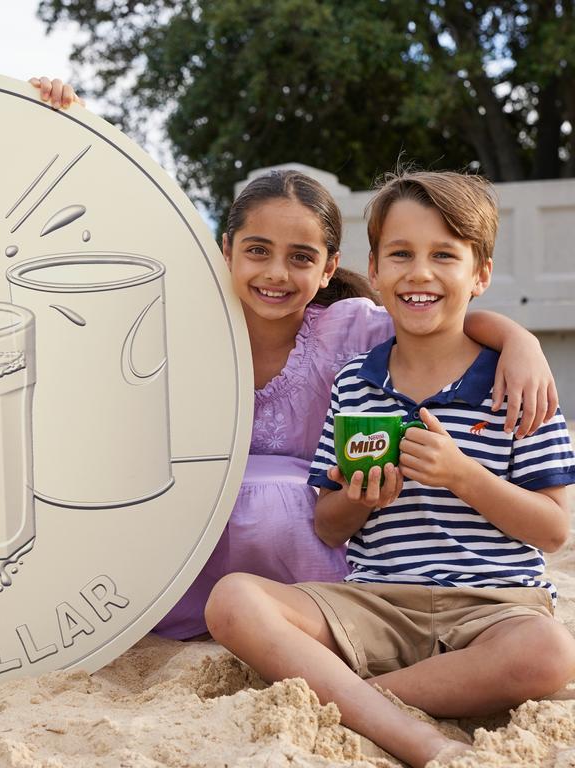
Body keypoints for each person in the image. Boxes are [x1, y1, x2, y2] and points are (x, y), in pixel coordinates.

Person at [28, 77, 560, 641]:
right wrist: (84, 124)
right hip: (188, 551)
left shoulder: (348, 330)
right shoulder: (178, 325)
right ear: (224, 249)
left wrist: (517, 341)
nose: (277, 274)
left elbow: (432, 318)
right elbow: (126, 233)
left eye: (301, 258)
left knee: (279, 488)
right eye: (257, 251)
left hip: (307, 553)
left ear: (329, 269)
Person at [204, 170, 575, 767]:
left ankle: (361, 705)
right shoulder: (357, 381)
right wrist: (361, 497)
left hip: (493, 606)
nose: (419, 273)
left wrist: (464, 477)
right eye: (401, 254)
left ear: (479, 275)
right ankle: (407, 725)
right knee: (232, 601)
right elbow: (328, 526)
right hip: (375, 604)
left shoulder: (516, 387)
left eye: (443, 256)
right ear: (373, 271)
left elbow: (554, 531)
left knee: (550, 653)